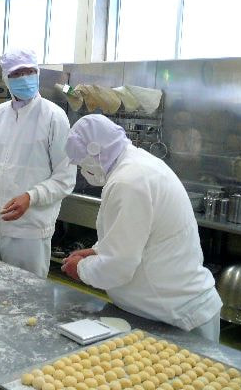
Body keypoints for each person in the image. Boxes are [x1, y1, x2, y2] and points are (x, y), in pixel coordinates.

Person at [61, 114, 222, 342]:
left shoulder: (128, 181)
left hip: (177, 318)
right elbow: (136, 236)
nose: (82, 170)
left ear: (95, 151)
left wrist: (80, 269)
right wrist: (97, 251)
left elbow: (120, 265)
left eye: (82, 162)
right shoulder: (136, 165)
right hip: (162, 310)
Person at [0, 48, 76, 278]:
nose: (24, 78)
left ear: (37, 73)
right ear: (6, 78)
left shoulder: (54, 117)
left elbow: (65, 178)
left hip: (29, 228)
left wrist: (30, 197)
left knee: (27, 294)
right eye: (17, 74)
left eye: (29, 71)